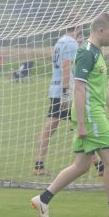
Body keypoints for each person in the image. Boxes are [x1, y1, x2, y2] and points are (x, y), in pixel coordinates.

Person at [30, 15, 109, 217]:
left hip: (93, 113)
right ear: (100, 30)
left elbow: (101, 87)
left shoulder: (96, 52)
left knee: (82, 165)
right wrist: (81, 124)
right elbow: (79, 88)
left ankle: (43, 199)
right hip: (91, 115)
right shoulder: (87, 52)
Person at [32, 26, 79, 176]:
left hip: (55, 88)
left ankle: (39, 164)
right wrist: (66, 92)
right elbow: (66, 65)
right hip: (66, 90)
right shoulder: (71, 43)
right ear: (78, 27)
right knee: (80, 124)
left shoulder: (60, 41)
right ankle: (99, 165)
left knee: (52, 125)